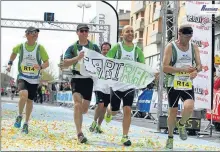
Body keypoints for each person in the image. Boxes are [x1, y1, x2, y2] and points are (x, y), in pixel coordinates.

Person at [104, 25, 146, 146]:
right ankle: (109, 112)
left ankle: (125, 136)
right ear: (122, 34)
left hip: (129, 85)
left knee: (127, 110)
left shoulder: (137, 50)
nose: (130, 33)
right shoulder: (117, 47)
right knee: (115, 110)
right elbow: (108, 60)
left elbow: (143, 66)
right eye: (127, 31)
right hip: (116, 85)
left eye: (132, 31)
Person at [163, 24, 202, 149]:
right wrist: (182, 70)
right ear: (179, 34)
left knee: (189, 106)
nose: (188, 40)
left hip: (186, 83)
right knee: (173, 112)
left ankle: (182, 124)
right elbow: (165, 67)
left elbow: (199, 65)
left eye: (190, 37)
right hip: (172, 82)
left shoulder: (194, 47)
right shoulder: (170, 47)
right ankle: (170, 137)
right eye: (186, 37)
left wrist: (196, 70)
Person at [6, 26, 49, 134]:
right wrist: (9, 64)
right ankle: (19, 115)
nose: (36, 35)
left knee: (29, 101)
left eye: (37, 33)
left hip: (34, 79)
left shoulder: (40, 48)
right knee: (23, 94)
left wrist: (40, 66)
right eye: (33, 33)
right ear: (27, 34)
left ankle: (26, 123)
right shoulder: (20, 46)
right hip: (23, 76)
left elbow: (46, 63)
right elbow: (13, 53)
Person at [63, 24, 100, 143]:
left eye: (86, 31)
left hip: (88, 80)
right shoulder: (72, 47)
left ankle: (80, 119)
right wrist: (77, 58)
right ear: (77, 32)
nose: (84, 33)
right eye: (82, 31)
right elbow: (65, 62)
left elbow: (102, 61)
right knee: (77, 105)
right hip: (76, 78)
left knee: (84, 109)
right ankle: (79, 133)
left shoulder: (93, 47)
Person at [89, 42, 111, 133]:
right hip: (99, 86)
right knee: (100, 105)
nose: (105, 51)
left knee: (104, 108)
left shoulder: (114, 61)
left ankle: (98, 126)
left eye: (107, 50)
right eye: (104, 49)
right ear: (101, 50)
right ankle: (94, 122)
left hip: (109, 88)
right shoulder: (98, 59)